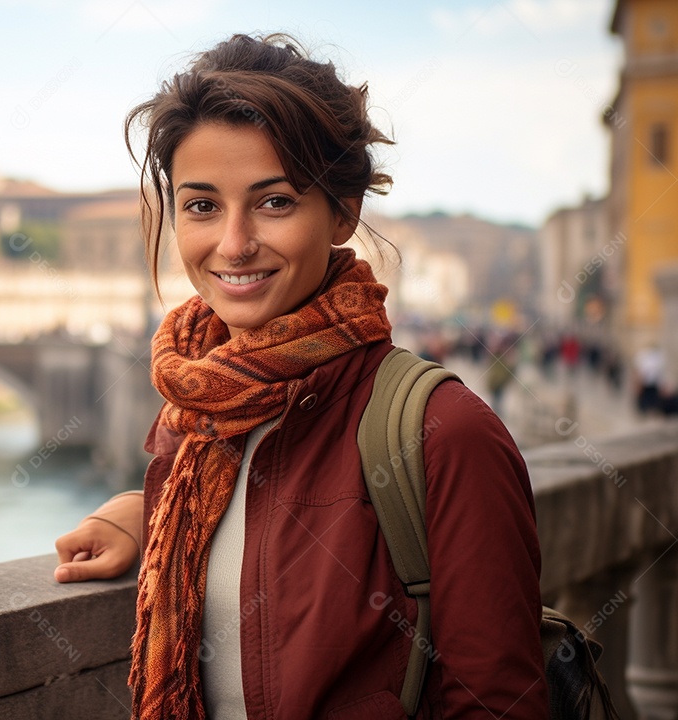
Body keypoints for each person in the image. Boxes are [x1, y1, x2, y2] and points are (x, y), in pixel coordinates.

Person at [54, 33, 546, 719]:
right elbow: (263, 516)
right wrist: (142, 517)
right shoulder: (193, 412)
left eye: (275, 201)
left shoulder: (445, 435)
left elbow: (497, 704)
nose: (233, 243)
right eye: (201, 206)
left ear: (342, 213)